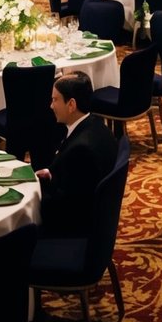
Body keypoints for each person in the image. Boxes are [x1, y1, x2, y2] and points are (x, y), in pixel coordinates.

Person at [37, 72, 118, 238]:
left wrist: (34, 196)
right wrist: (51, 175)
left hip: (74, 232)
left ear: (71, 104)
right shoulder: (96, 125)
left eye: (55, 99)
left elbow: (66, 209)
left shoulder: (81, 150)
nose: (51, 106)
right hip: (94, 217)